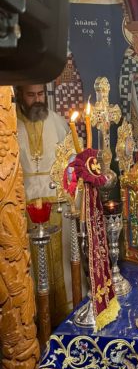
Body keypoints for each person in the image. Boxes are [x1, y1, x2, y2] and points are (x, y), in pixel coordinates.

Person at [15, 84, 70, 326]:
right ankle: (35, 321)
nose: (37, 100)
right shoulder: (8, 126)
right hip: (22, 208)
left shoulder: (58, 123)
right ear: (20, 95)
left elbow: (72, 166)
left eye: (40, 94)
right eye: (31, 95)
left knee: (61, 263)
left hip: (57, 206)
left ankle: (64, 315)